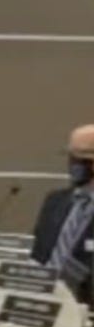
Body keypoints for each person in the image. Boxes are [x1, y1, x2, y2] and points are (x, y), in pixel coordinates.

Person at [31, 124, 94, 304]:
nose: (73, 165)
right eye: (71, 157)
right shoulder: (55, 201)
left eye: (81, 159)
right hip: (42, 304)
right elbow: (37, 253)